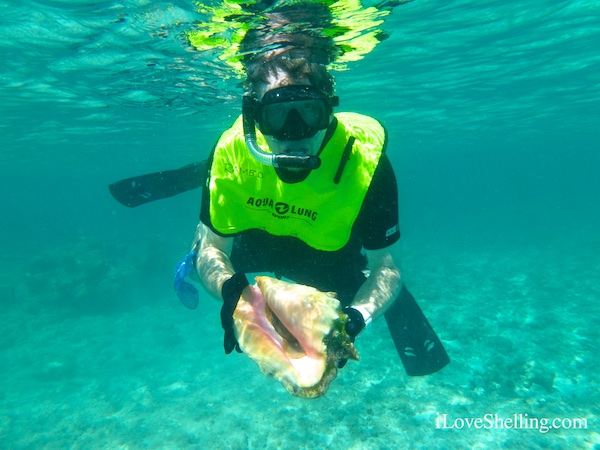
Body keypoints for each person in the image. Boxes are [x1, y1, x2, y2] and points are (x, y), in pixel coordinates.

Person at [178, 17, 449, 374]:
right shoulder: (231, 153)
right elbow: (214, 251)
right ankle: (204, 179)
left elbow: (388, 266)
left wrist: (356, 317)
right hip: (258, 238)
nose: (294, 133)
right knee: (201, 254)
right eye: (276, 115)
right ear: (254, 118)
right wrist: (232, 294)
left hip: (327, 254)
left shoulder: (365, 163)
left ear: (329, 111)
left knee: (369, 282)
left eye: (308, 111)